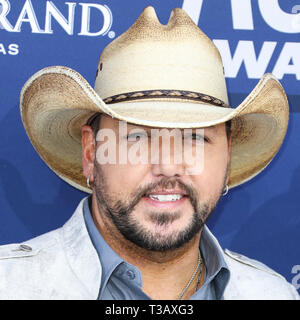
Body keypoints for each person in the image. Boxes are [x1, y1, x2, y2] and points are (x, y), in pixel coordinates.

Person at [0, 6, 298, 300]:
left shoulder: (274, 295)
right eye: (138, 137)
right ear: (91, 153)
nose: (168, 166)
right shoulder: (9, 287)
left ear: (228, 156)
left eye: (195, 138)